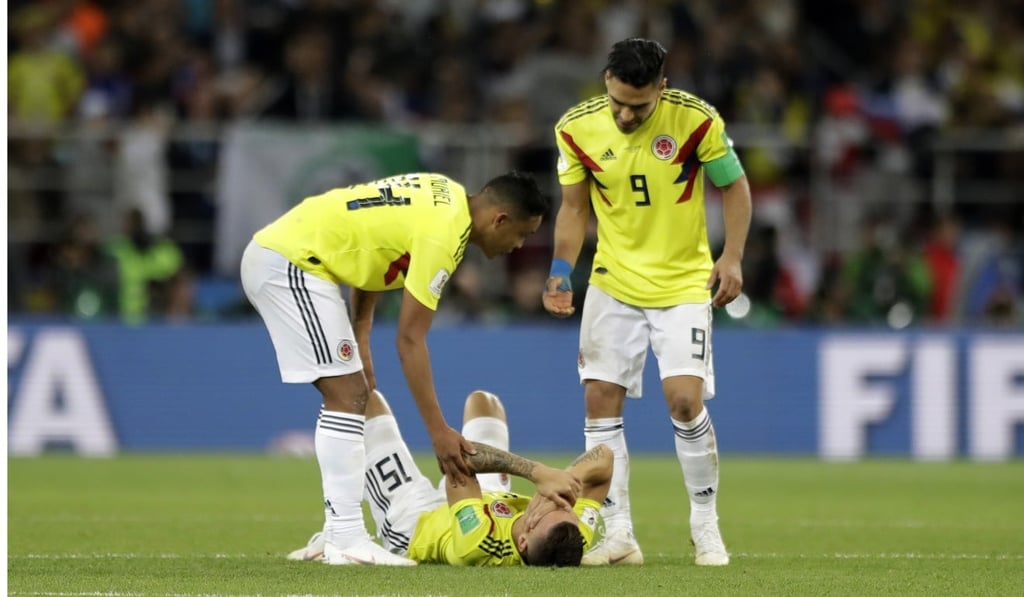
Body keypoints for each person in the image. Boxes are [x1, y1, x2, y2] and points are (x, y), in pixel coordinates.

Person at [240, 171, 553, 566]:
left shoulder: (443, 192)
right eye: (522, 234)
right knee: (348, 395)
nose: (519, 245)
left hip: (293, 254)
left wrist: (361, 331)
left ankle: (339, 532)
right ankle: (347, 535)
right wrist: (439, 431)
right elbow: (409, 340)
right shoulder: (446, 236)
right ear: (500, 219)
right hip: (292, 263)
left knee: (352, 394)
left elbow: (373, 246)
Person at [542, 38, 752, 567]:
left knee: (684, 401)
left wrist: (731, 257)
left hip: (683, 283)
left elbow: (736, 187)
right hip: (613, 282)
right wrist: (561, 270)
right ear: (605, 82)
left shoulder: (697, 122)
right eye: (616, 101)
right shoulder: (575, 128)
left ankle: (705, 526)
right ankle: (619, 533)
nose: (625, 114)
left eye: (638, 105)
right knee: (599, 403)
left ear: (662, 87)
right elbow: (573, 209)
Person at [286, 389, 611, 566]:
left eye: (545, 509)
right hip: (485, 499)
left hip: (414, 523)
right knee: (484, 402)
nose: (553, 500)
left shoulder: (479, 543)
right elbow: (604, 461)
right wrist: (565, 479)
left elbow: (458, 461)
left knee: (363, 397)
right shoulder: (571, 532)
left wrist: (538, 473)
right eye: (563, 503)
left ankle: (335, 532)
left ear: (523, 542)